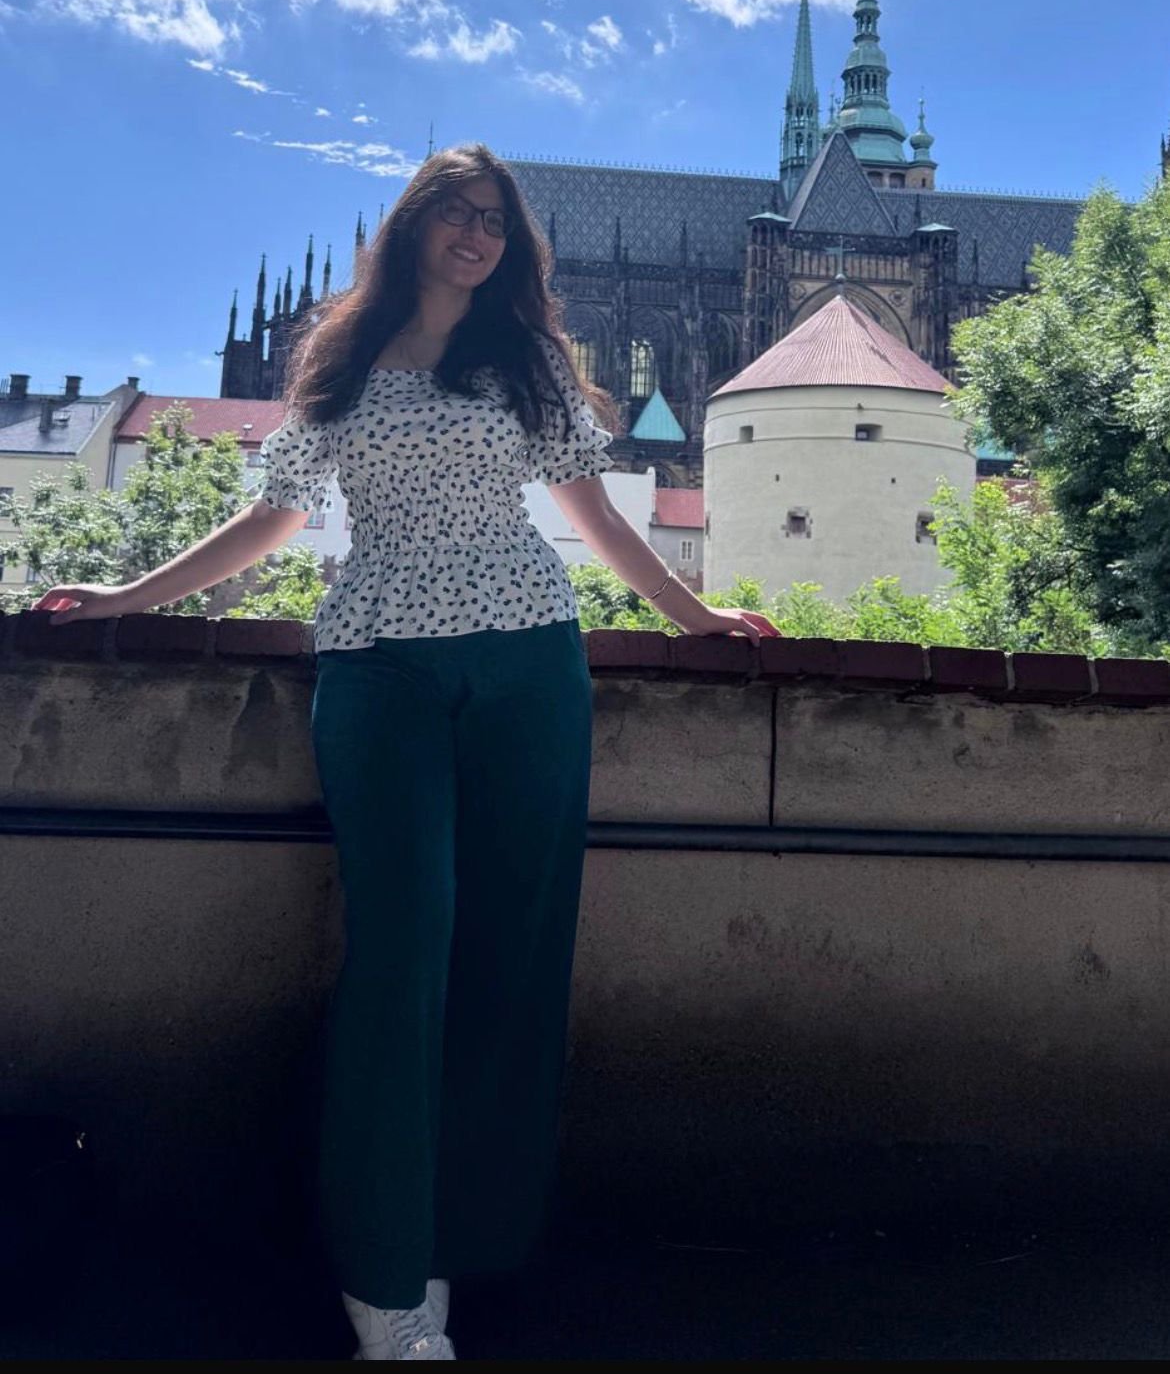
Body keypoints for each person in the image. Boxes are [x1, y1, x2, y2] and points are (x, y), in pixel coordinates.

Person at [36, 143, 777, 1361]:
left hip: (532, 659)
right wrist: (128, 592)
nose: (478, 235)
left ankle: (462, 1243)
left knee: (513, 964)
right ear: (413, 226)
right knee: (401, 952)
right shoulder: (341, 362)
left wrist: (693, 618)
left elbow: (592, 513)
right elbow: (273, 517)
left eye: (496, 220)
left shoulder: (529, 359)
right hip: (379, 661)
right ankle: (383, 1274)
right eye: (456, 214)